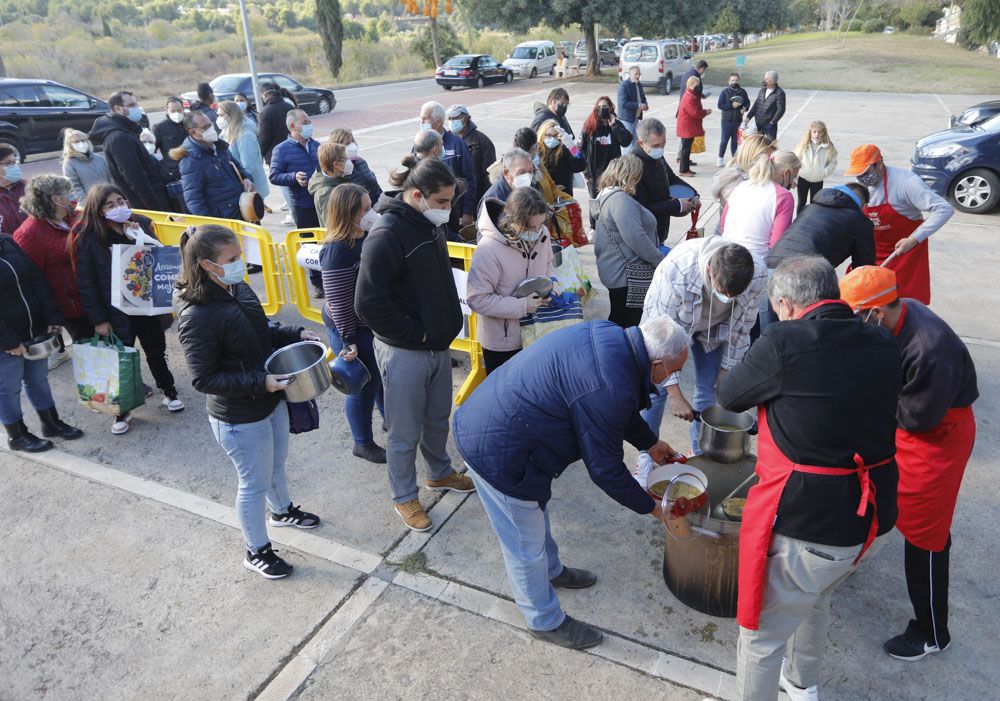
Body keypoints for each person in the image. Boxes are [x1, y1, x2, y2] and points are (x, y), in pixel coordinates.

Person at [716, 256, 902, 701]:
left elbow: (730, 395)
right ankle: (802, 686)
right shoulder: (881, 340)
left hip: (809, 520)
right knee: (816, 598)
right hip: (867, 516)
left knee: (760, 638)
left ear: (784, 304)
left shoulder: (783, 342)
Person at [452, 316, 689, 649]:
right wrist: (653, 508)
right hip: (496, 449)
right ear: (658, 362)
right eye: (673, 371)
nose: (671, 379)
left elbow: (616, 407)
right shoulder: (611, 384)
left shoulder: (613, 336)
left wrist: (650, 442)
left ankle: (552, 571)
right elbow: (605, 469)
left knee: (533, 516)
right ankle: (544, 620)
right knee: (525, 542)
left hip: (506, 425)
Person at [840, 266, 978, 662]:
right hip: (911, 421)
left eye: (856, 317)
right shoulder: (901, 313)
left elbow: (917, 419)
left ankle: (932, 631)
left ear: (877, 313)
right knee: (869, 487)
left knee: (925, 536)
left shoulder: (931, 351)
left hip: (937, 439)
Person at [174, 224, 322, 580]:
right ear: (208, 265)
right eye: (234, 258)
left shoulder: (238, 289)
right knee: (253, 482)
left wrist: (294, 332)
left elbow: (261, 328)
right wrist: (261, 382)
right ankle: (256, 550)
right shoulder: (196, 316)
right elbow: (203, 379)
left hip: (268, 401)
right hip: (238, 418)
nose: (241, 263)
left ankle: (282, 510)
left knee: (276, 464)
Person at [354, 158, 475, 533]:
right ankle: (404, 496)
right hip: (406, 351)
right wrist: (418, 333)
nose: (447, 209)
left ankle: (439, 473)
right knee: (404, 431)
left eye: (450, 201)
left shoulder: (429, 224)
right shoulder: (387, 233)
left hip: (438, 347)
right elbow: (367, 304)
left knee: (437, 418)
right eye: (441, 201)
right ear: (417, 195)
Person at [637, 238, 764, 479]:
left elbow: (741, 329)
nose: (726, 297)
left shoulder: (757, 274)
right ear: (709, 269)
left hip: (716, 330)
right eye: (721, 291)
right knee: (658, 389)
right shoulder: (678, 270)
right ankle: (647, 453)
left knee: (709, 388)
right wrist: (675, 394)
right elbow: (657, 344)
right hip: (671, 325)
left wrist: (726, 372)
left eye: (732, 295)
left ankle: (700, 454)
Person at [69, 184, 185, 435]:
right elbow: (86, 282)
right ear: (98, 210)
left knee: (156, 350)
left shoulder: (140, 223)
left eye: (121, 201)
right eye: (110, 205)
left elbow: (161, 258)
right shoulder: (88, 237)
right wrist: (98, 319)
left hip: (145, 304)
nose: (118, 208)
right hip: (114, 311)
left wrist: (139, 237)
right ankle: (121, 410)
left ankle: (168, 390)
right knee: (120, 359)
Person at [320, 183, 386, 464]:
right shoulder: (337, 251)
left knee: (379, 375)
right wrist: (348, 341)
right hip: (352, 328)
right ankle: (363, 443)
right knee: (363, 385)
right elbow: (339, 303)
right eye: (364, 209)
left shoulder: (367, 233)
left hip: (370, 323)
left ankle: (389, 420)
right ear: (348, 213)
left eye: (371, 205)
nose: (371, 212)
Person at [1, 232, 83, 452]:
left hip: (33, 330)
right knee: (8, 388)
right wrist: (7, 341)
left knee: (37, 379)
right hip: (6, 341)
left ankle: (51, 423)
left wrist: (52, 316)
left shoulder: (7, 241)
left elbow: (36, 278)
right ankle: (17, 436)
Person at [843, 144, 953, 304]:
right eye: (858, 174)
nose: (862, 179)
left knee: (899, 299)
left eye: (866, 173)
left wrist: (914, 239)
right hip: (874, 250)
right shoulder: (861, 187)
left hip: (904, 252)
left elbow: (944, 209)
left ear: (879, 163)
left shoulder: (906, 183)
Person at [468, 186, 555, 373]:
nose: (537, 231)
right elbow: (477, 299)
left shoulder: (543, 234)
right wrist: (523, 306)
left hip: (536, 332)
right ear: (512, 221)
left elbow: (548, 264)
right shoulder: (489, 249)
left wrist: (551, 286)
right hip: (503, 342)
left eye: (541, 224)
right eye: (530, 227)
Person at [722, 150, 800, 331]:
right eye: (794, 177)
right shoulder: (783, 196)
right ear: (786, 173)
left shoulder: (741, 187)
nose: (794, 184)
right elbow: (777, 244)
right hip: (756, 266)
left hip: (725, 258)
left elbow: (724, 224)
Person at [12, 176, 91, 343]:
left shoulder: (75, 216)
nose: (72, 195)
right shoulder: (29, 234)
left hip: (95, 293)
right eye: (68, 192)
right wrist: (50, 316)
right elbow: (33, 280)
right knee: (91, 351)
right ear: (55, 199)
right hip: (72, 305)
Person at [593, 155, 663, 328]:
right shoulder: (621, 200)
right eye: (637, 175)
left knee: (620, 318)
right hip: (628, 276)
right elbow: (636, 239)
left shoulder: (605, 195)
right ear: (630, 174)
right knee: (627, 323)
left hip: (618, 272)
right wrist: (662, 261)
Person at [89, 91, 172, 212]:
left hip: (153, 197)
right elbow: (135, 179)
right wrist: (155, 209)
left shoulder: (126, 131)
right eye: (132, 105)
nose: (137, 109)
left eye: (136, 104)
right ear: (118, 108)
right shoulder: (119, 138)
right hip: (147, 204)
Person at [767, 183, 875, 270]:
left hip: (773, 261)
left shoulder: (810, 208)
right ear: (864, 206)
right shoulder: (860, 221)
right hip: (806, 269)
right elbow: (863, 269)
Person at [171, 111, 254, 220]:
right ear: (194, 132)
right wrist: (213, 227)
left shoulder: (219, 147)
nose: (211, 129)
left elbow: (237, 165)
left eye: (210, 125)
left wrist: (246, 177)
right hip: (225, 220)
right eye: (205, 127)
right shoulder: (190, 161)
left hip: (244, 210)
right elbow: (194, 200)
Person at [632, 118, 697, 244]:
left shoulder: (656, 156)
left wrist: (693, 194)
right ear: (641, 143)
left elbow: (672, 179)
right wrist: (676, 205)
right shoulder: (634, 167)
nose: (661, 149)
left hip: (660, 231)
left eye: (663, 144)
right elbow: (640, 209)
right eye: (656, 146)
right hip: (646, 237)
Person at [419, 101, 477, 227]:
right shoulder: (420, 144)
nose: (422, 122)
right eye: (421, 119)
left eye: (425, 119)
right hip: (427, 211)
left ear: (438, 122)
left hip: (452, 211)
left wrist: (468, 211)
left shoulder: (457, 144)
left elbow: (469, 179)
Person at [580, 95, 632, 220]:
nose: (602, 109)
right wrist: (585, 170)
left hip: (612, 172)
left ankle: (611, 223)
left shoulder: (616, 124)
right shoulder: (589, 126)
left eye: (605, 107)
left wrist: (614, 126)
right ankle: (594, 227)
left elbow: (626, 141)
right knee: (595, 202)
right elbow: (581, 149)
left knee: (612, 200)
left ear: (610, 108)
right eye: (599, 107)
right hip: (594, 172)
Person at [269, 109, 320, 229]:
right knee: (309, 243)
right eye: (305, 123)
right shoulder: (281, 150)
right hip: (303, 205)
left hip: (322, 202)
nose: (309, 126)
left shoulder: (317, 146)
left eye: (309, 122)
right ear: (293, 126)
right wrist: (293, 177)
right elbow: (274, 176)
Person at [218, 100, 269, 200]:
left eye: (221, 115)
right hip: (238, 186)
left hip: (248, 187)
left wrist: (244, 182)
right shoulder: (227, 131)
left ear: (231, 115)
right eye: (218, 115)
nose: (219, 119)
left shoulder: (245, 135)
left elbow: (249, 165)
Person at [447, 104, 496, 207]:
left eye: (455, 118)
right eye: (449, 118)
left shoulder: (482, 141)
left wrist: (485, 202)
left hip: (475, 199)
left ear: (465, 119)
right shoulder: (448, 140)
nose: (451, 121)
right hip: (452, 199)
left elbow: (489, 175)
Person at [793, 121, 838, 213]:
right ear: (810, 132)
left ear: (823, 133)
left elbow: (833, 163)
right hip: (803, 178)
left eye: (820, 132)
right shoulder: (803, 145)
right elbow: (795, 160)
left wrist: (824, 173)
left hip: (817, 180)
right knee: (801, 202)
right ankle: (798, 222)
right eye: (814, 132)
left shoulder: (828, 147)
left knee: (814, 204)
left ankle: (810, 222)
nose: (817, 135)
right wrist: (795, 176)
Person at [329, 128, 382, 204]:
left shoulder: (361, 161)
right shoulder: (338, 170)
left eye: (352, 141)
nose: (352, 145)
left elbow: (376, 186)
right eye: (347, 143)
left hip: (376, 207)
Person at [537, 119, 586, 195]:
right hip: (544, 198)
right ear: (542, 135)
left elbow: (581, 165)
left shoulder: (565, 152)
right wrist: (552, 188)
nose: (552, 138)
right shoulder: (536, 152)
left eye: (556, 135)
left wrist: (572, 147)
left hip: (563, 198)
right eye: (549, 135)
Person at [676, 76, 712, 176]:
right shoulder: (689, 97)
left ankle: (686, 168)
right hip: (687, 127)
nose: (699, 87)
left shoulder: (692, 95)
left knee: (687, 149)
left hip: (688, 127)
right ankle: (683, 170)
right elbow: (695, 113)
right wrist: (705, 112)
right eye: (697, 85)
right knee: (685, 150)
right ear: (691, 85)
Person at [479, 148, 534, 213]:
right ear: (507, 173)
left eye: (530, 171)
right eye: (522, 172)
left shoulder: (529, 190)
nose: (527, 176)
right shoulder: (493, 201)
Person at [308, 142, 354, 220]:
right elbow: (332, 224)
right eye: (346, 160)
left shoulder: (337, 179)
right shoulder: (326, 193)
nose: (350, 163)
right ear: (336, 164)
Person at [61, 130, 109, 202]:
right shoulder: (69, 163)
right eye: (76, 142)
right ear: (69, 145)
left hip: (109, 197)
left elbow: (111, 177)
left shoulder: (99, 158)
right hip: (91, 202)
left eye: (83, 140)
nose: (81, 143)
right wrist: (86, 203)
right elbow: (74, 187)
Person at [257, 82, 294, 164]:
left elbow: (264, 138)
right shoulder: (290, 107)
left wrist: (261, 154)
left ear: (265, 95)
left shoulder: (265, 111)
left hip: (275, 156)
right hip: (294, 152)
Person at [717, 73, 750, 165]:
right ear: (729, 81)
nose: (734, 82)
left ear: (738, 81)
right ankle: (720, 158)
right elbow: (720, 105)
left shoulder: (743, 92)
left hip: (738, 121)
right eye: (732, 80)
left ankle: (734, 159)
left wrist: (745, 108)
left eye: (736, 80)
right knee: (724, 140)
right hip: (726, 121)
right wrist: (731, 105)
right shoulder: (724, 92)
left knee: (735, 141)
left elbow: (747, 103)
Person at [744, 71, 786, 141]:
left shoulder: (779, 93)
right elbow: (756, 105)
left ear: (772, 81)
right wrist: (748, 118)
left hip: (770, 126)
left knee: (771, 146)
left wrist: (772, 122)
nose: (764, 81)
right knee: (758, 146)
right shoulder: (762, 91)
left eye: (766, 79)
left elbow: (781, 110)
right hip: (758, 124)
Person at [616, 66, 649, 153]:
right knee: (627, 144)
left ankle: (633, 162)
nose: (638, 76)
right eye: (636, 74)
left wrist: (645, 105)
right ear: (630, 74)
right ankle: (626, 163)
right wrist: (638, 105)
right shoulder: (624, 85)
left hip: (635, 119)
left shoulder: (638, 84)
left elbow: (642, 98)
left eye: (639, 74)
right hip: (627, 119)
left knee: (635, 143)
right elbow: (623, 103)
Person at [0, 146, 26, 235]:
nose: (14, 166)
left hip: (33, 244)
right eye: (8, 163)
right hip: (7, 246)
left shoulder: (28, 186)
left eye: (14, 162)